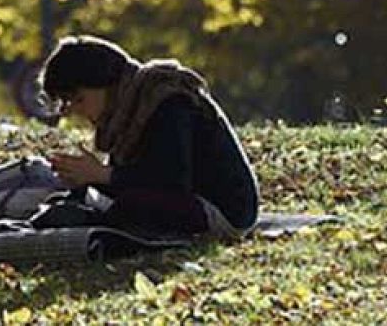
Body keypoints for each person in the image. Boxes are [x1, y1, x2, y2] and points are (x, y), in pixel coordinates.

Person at [39, 35, 260, 238]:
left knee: (130, 206)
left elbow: (170, 179)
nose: (78, 111)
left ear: (105, 84)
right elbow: (135, 177)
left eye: (79, 99)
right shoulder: (126, 111)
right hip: (180, 199)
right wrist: (87, 180)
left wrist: (103, 175)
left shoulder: (166, 101)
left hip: (220, 209)